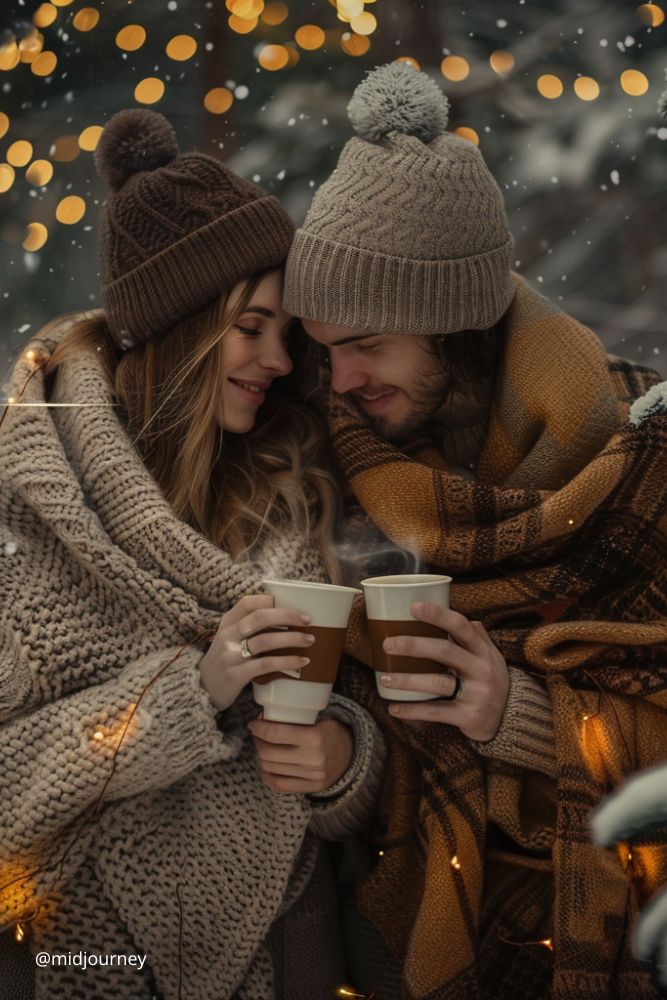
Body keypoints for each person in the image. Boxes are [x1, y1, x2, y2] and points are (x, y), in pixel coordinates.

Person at [282, 62, 667, 999]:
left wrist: (520, 715)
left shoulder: (639, 461)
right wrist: (338, 762)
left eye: (366, 346)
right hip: (406, 932)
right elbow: (356, 731)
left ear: (453, 328)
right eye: (325, 351)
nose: (341, 385)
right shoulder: (342, 469)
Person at [0, 108, 386, 1000]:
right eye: (250, 327)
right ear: (179, 332)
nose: (279, 359)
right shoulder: (31, 509)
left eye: (285, 333)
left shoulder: (305, 488)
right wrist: (187, 695)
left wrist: (344, 760)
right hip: (78, 957)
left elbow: (369, 721)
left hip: (286, 959)